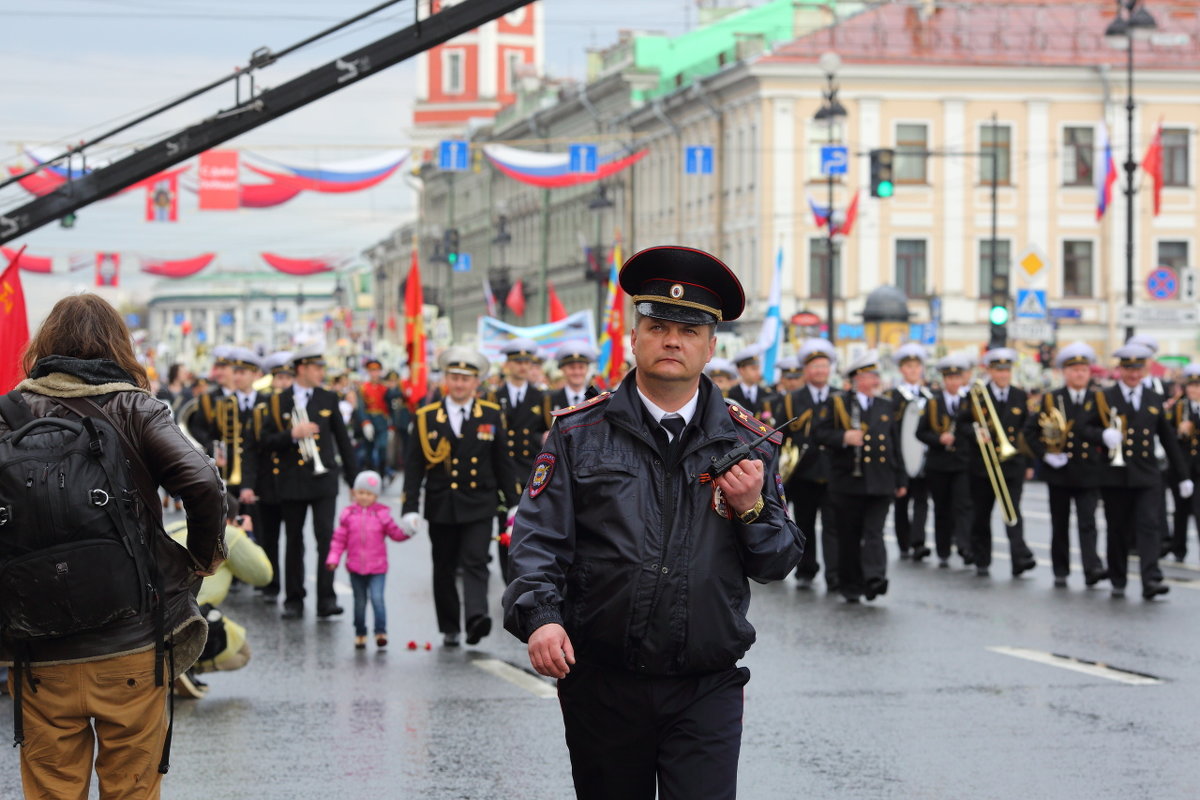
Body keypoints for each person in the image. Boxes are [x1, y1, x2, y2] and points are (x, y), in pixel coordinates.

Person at [503, 245, 802, 800]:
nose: (672, 341)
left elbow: (779, 560)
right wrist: (541, 617)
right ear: (634, 336)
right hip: (604, 678)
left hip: (705, 681)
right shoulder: (577, 434)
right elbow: (537, 539)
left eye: (689, 332)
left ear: (710, 347)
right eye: (659, 325)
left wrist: (752, 508)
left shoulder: (747, 441)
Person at [0, 293, 225, 799]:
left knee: (52, 790)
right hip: (132, 642)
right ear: (118, 346)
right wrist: (203, 558)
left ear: (44, 346)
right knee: (132, 789)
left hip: (40, 649)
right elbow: (203, 483)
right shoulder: (135, 407)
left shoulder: (7, 414)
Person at [404, 348, 515, 647]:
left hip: (480, 502)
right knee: (444, 566)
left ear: (476, 383)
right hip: (441, 503)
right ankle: (450, 625)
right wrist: (409, 507)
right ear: (445, 380)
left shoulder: (490, 414)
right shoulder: (427, 417)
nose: (460, 384)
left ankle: (476, 618)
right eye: (454, 377)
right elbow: (414, 465)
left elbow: (502, 462)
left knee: (476, 560)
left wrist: (516, 503)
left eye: (466, 379)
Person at [259, 344, 359, 619]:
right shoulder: (278, 401)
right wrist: (292, 434)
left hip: (324, 479)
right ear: (301, 369)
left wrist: (355, 480)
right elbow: (265, 441)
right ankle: (294, 598)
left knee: (326, 539)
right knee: (294, 540)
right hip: (292, 481)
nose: (321, 373)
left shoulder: (328, 398)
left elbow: (342, 441)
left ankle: (327, 598)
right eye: (317, 368)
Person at [1098, 344, 1192, 599]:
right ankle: (1118, 577)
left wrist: (1183, 476)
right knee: (1117, 528)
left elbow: (1168, 438)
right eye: (1129, 369)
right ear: (1120, 370)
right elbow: (1084, 429)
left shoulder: (1152, 397)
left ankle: (1151, 579)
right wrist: (1101, 434)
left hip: (1147, 473)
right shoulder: (1104, 397)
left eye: (1138, 368)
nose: (1134, 374)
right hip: (1115, 476)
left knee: (1149, 525)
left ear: (1145, 369)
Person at [813, 351, 907, 602]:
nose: (875, 381)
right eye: (870, 376)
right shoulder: (838, 403)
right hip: (848, 482)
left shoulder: (885, 405)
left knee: (874, 531)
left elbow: (895, 445)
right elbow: (818, 434)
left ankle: (875, 577)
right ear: (857, 379)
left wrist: (901, 480)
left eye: (876, 375)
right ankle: (851, 584)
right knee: (849, 535)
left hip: (880, 480)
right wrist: (843, 438)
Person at [168, 494, 273, 697]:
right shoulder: (229, 534)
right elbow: (263, 575)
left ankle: (173, 669)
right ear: (229, 520)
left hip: (150, 610)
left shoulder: (175, 525)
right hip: (188, 614)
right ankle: (179, 667)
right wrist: (247, 536)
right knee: (242, 653)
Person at [1023, 342, 1108, 588]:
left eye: (1083, 369)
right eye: (1074, 370)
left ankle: (1092, 567)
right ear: (1064, 373)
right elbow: (1030, 431)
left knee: (1088, 522)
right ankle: (1060, 568)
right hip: (1059, 471)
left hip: (1088, 470)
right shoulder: (1052, 398)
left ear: (1089, 372)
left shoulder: (1098, 398)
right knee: (1059, 522)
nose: (1079, 374)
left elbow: (1106, 429)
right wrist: (1044, 455)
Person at [960, 347, 1037, 578]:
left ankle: (1019, 558)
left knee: (1012, 512)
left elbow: (1027, 431)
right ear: (990, 371)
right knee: (981, 514)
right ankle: (982, 559)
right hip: (983, 465)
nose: (1003, 375)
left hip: (1012, 464)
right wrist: (976, 431)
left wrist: (1030, 464)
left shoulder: (1020, 396)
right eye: (998, 370)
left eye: (1006, 371)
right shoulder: (976, 395)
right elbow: (961, 424)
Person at [486, 338, 552, 582]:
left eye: (526, 362)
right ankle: (508, 581)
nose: (522, 366)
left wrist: (539, 438)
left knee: (530, 528)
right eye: (517, 361)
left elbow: (547, 433)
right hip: (502, 473)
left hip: (530, 472)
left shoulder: (541, 397)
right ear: (507, 365)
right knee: (505, 527)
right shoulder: (494, 396)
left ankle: (527, 578)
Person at [327, 470, 411, 649]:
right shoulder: (348, 515)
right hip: (355, 567)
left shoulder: (382, 515)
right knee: (359, 602)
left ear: (376, 496)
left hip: (378, 568)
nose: (364, 497)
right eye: (361, 493)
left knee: (377, 598)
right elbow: (339, 540)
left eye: (369, 494)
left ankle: (380, 631)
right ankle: (360, 632)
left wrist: (408, 531)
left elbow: (395, 533)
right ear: (355, 493)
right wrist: (333, 558)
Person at [780, 338, 839, 591]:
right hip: (804, 473)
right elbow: (781, 435)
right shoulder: (792, 399)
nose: (820, 371)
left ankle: (835, 574)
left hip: (835, 472)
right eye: (814, 366)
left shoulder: (840, 396)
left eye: (824, 366)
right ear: (806, 370)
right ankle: (806, 569)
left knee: (834, 526)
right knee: (803, 524)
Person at [915, 354, 974, 568]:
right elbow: (920, 433)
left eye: (957, 378)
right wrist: (938, 439)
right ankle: (943, 549)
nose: (953, 382)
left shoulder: (969, 403)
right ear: (943, 380)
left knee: (963, 506)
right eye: (949, 378)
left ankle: (965, 547)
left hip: (962, 463)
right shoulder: (932, 403)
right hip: (938, 464)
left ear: (962, 380)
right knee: (942, 508)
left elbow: (974, 430)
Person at [884, 342, 933, 561]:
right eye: (908, 367)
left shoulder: (930, 396)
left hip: (924, 457)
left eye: (917, 366)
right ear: (901, 370)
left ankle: (918, 541)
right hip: (902, 457)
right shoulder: (893, 397)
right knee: (902, 501)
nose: (913, 371)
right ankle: (904, 542)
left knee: (922, 500)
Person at [1167, 364, 1200, 562]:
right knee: (1180, 510)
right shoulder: (1178, 407)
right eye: (1191, 386)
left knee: (1198, 509)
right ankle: (1179, 548)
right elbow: (1167, 433)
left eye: (1197, 386)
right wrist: (1179, 432)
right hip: (1181, 467)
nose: (1193, 390)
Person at [727, 345, 775, 422]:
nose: (758, 372)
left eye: (758, 368)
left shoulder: (768, 394)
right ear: (741, 370)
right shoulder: (730, 395)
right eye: (753, 369)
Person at [550, 343, 600, 411]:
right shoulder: (551, 399)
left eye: (581, 367)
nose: (577, 372)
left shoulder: (598, 397)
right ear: (562, 369)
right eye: (572, 367)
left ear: (587, 369)